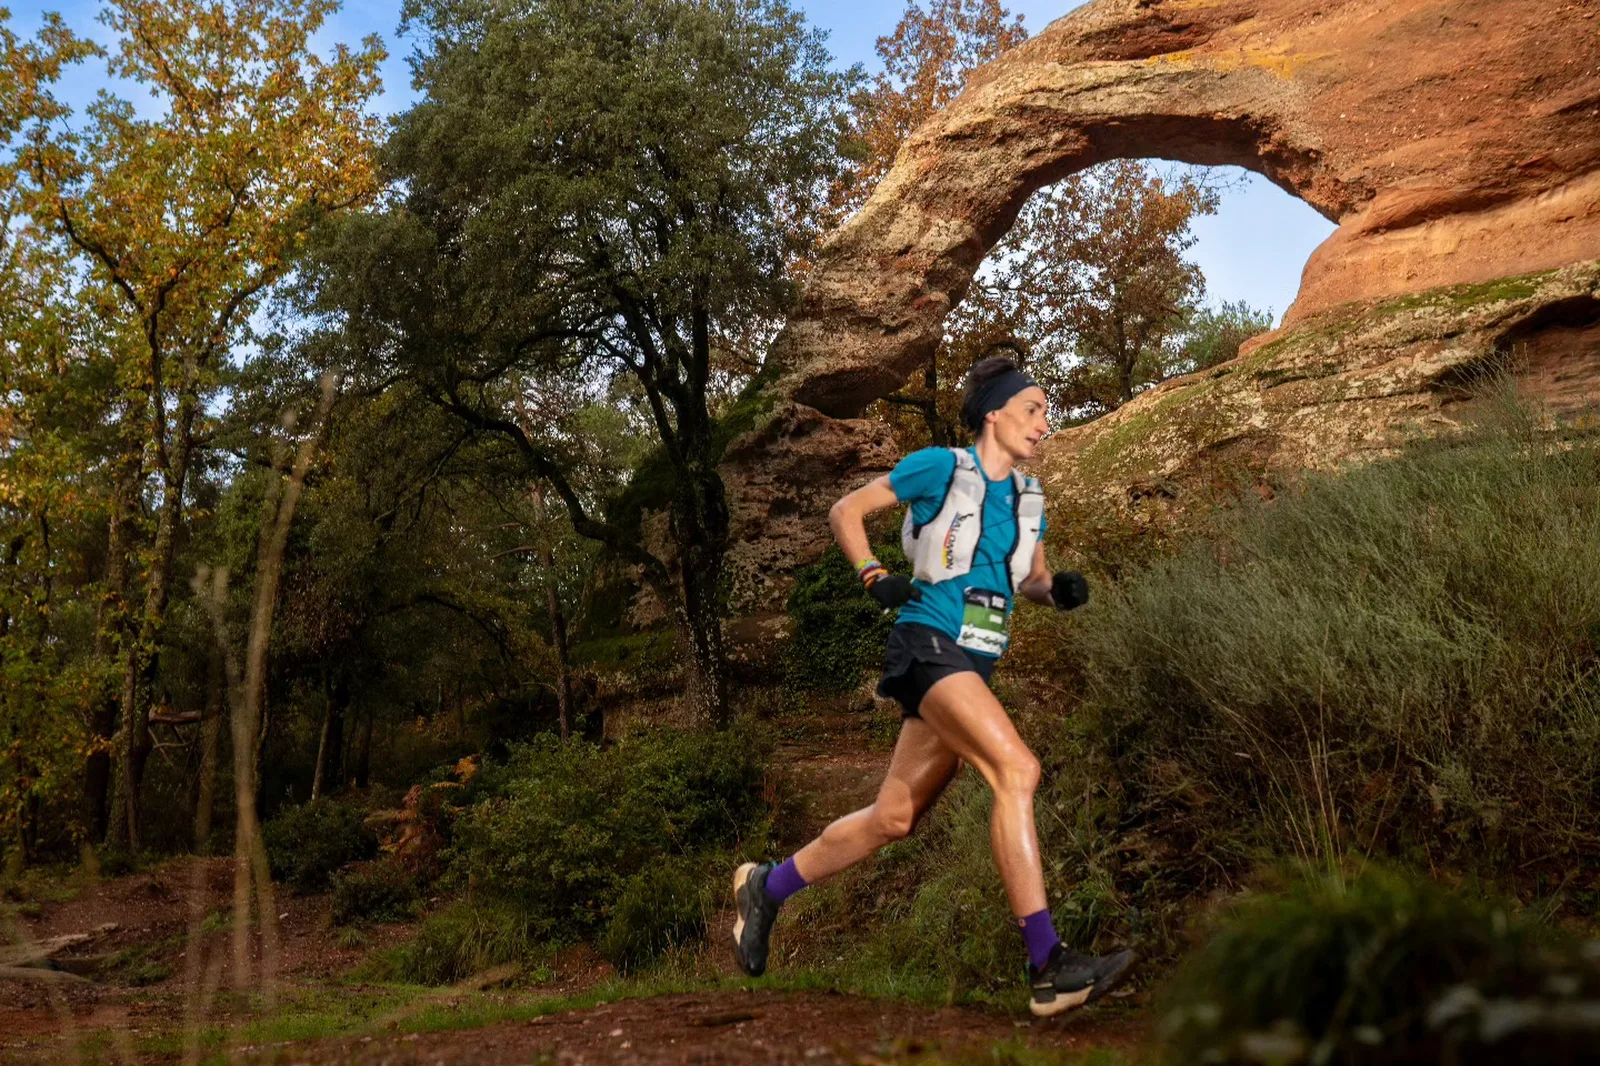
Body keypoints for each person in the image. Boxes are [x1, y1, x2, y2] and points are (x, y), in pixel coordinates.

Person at [731, 354, 1135, 1017]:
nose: (1044, 422)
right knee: (1017, 771)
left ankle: (765, 889)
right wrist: (872, 573)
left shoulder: (1030, 499)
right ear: (994, 413)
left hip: (973, 663)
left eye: (1046, 412)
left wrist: (1056, 591)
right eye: (1033, 409)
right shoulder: (940, 467)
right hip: (927, 643)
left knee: (894, 818)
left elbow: (1031, 580)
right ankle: (1048, 965)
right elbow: (846, 511)